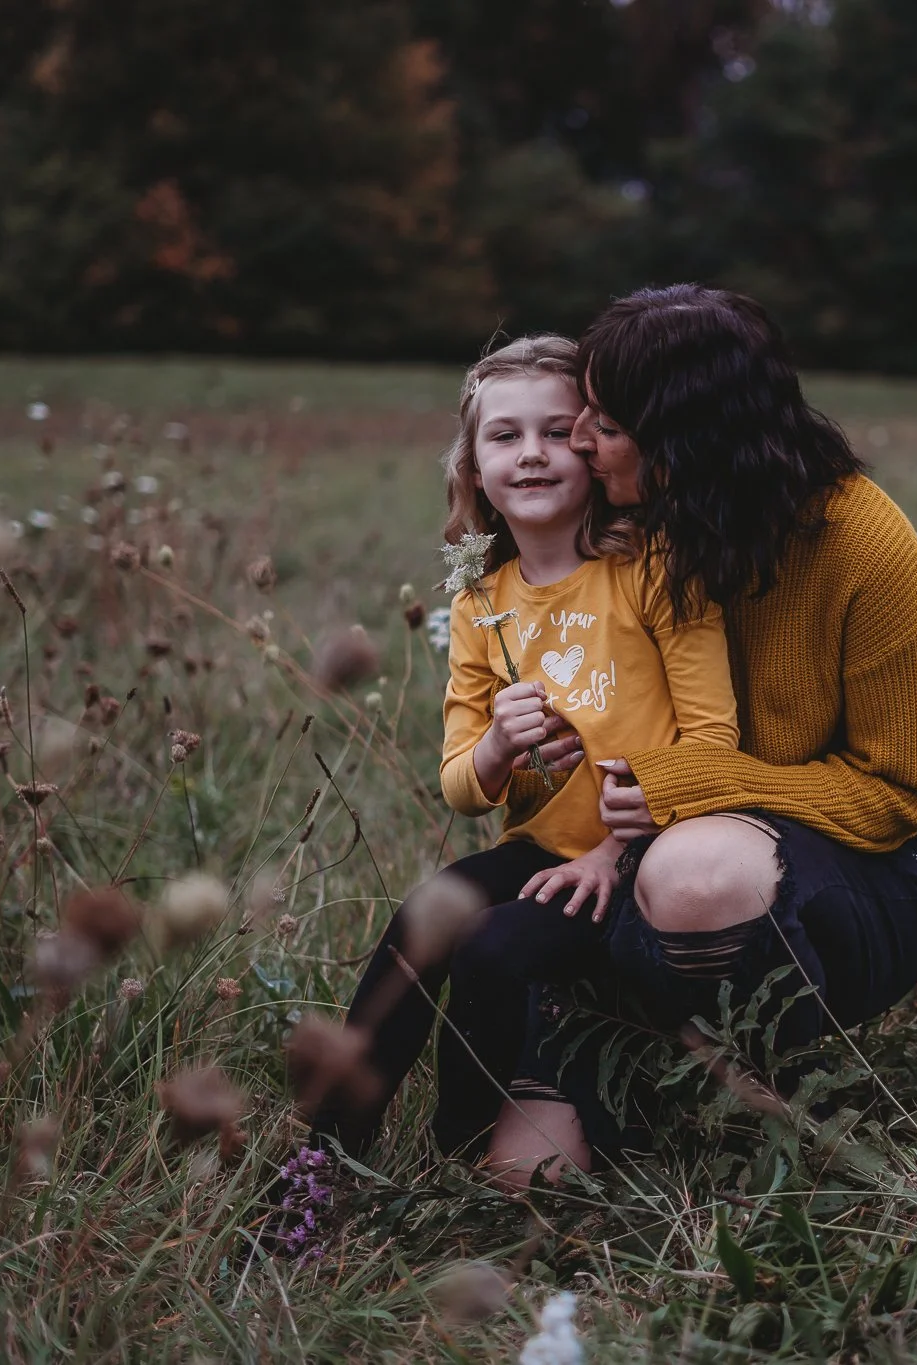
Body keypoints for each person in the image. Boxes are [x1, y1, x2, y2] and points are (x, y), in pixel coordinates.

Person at [480, 285, 917, 1183]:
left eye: (605, 424)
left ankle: (763, 1096)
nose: (580, 440)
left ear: (684, 440)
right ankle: (653, 1050)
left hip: (838, 881)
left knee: (695, 872)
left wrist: (701, 784)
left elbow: (899, 793)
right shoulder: (628, 528)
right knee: (526, 1175)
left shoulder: (861, 543)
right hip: (617, 867)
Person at [305, 335, 736, 1179]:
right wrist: (501, 741)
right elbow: (462, 786)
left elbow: (715, 740)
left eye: (556, 432)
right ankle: (320, 1160)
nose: (532, 454)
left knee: (496, 947)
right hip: (541, 851)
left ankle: (459, 1144)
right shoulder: (481, 597)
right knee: (428, 914)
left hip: (657, 859)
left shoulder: (653, 569)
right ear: (472, 465)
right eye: (505, 436)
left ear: (593, 448)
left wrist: (621, 848)